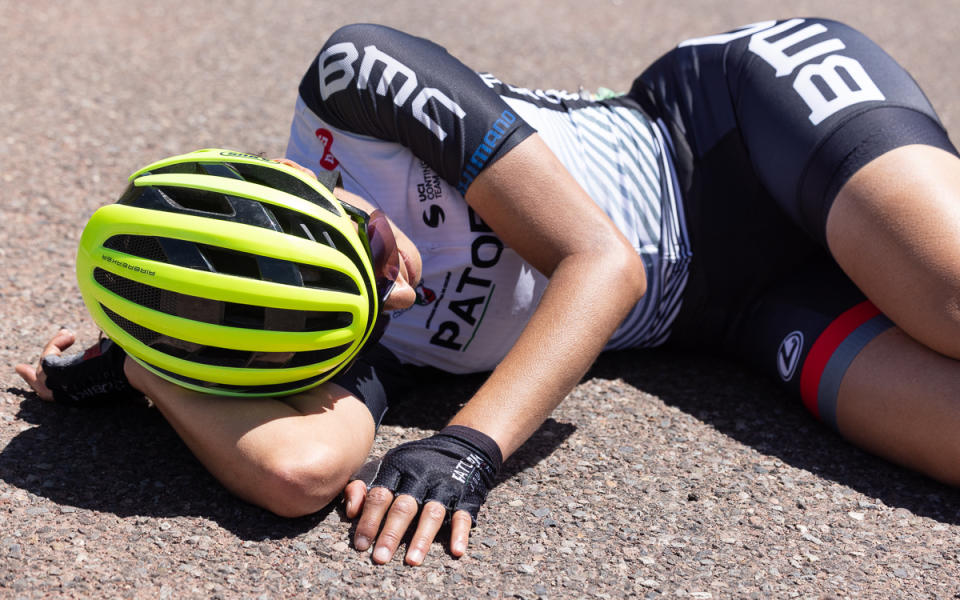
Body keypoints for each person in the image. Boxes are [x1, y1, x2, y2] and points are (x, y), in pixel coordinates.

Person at [16, 18, 960, 566]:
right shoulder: (348, 344)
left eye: (366, 244)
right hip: (737, 312)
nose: (401, 289)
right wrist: (150, 364)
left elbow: (606, 262)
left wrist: (468, 445)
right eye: (363, 308)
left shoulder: (354, 85)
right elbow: (296, 471)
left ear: (299, 186)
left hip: (733, 133)